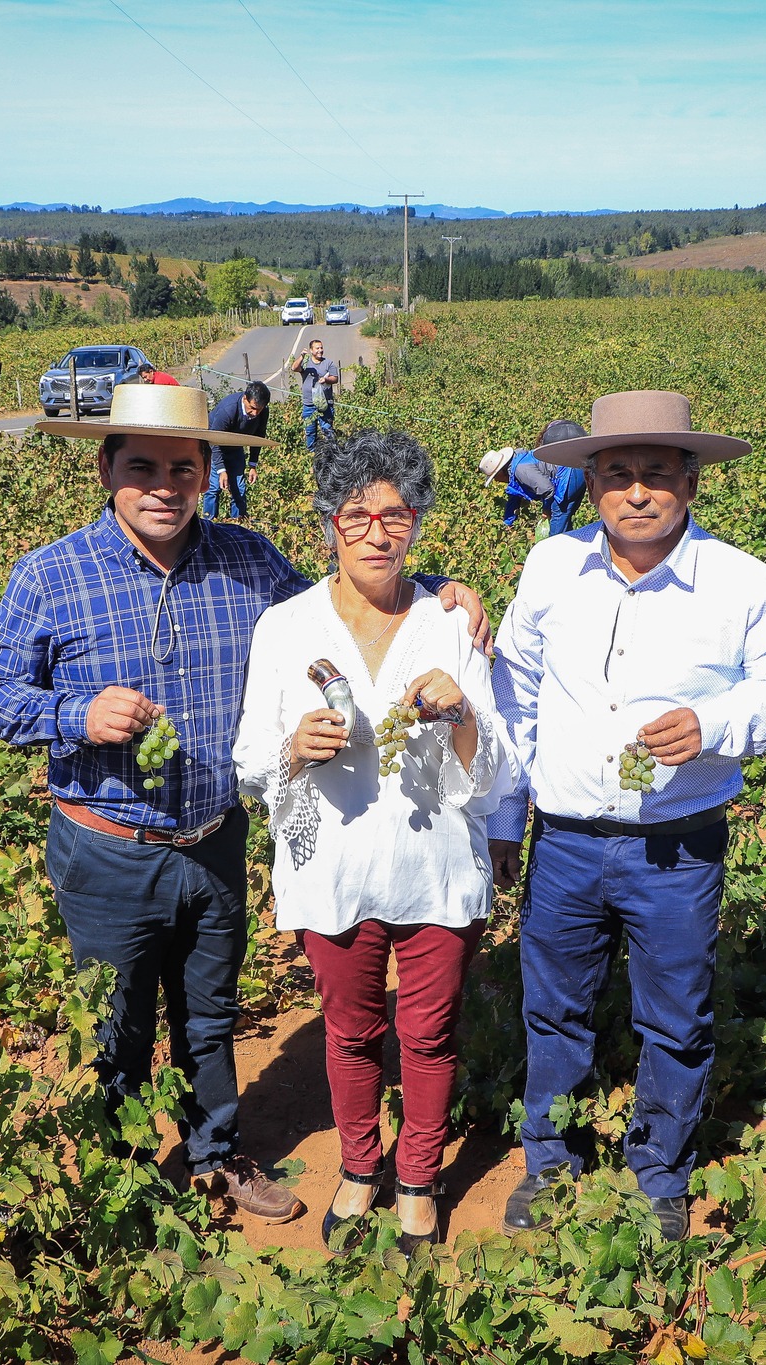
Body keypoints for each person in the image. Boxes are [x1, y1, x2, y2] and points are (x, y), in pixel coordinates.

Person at [0, 383, 490, 1227]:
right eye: (142, 467)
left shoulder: (248, 561)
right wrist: (75, 715)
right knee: (117, 1024)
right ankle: (123, 1179)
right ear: (105, 468)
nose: (163, 486)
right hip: (108, 845)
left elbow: (350, 594)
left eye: (183, 468)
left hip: (214, 838)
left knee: (210, 1016)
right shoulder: (50, 574)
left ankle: (215, 1156)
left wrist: (441, 589)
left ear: (208, 473)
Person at [487, 390, 766, 1243]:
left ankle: (659, 1174)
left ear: (691, 482)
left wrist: (714, 724)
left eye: (657, 473)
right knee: (553, 1008)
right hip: (564, 840)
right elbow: (516, 687)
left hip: (677, 849)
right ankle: (550, 1161)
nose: (637, 492)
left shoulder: (744, 584)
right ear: (592, 482)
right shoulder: (550, 568)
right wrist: (509, 809)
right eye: (619, 473)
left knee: (674, 1015)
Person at [235, 430, 519, 1254]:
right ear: (329, 521)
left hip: (437, 869)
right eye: (356, 514)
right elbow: (250, 759)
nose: (377, 532)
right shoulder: (285, 626)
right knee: (351, 1030)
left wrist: (462, 710)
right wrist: (294, 747)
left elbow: (496, 769)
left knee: (428, 1034)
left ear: (417, 522)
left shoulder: (451, 622)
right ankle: (361, 1166)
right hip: (333, 869)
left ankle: (419, 1176)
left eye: (396, 514)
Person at [478, 419, 590, 538]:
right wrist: (507, 523)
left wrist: (546, 510)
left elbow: (547, 489)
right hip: (574, 470)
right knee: (563, 521)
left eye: (495, 476)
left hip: (570, 474)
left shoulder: (520, 469)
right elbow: (514, 499)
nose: (496, 480)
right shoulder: (515, 465)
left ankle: (558, 547)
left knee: (557, 522)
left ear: (501, 471)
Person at [204, 381, 270, 520]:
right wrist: (221, 470)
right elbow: (214, 440)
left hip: (235, 447)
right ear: (245, 399)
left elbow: (258, 437)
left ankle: (238, 522)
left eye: (259, 409)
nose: (255, 413)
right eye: (252, 408)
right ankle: (208, 522)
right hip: (215, 447)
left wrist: (253, 465)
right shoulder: (228, 410)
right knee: (214, 487)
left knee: (239, 488)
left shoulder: (262, 412)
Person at [290, 338, 340, 451]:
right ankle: (311, 452)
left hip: (325, 404)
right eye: (317, 348)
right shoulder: (306, 363)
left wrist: (326, 380)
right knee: (310, 431)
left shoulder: (328, 363)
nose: (320, 350)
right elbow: (294, 368)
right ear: (311, 350)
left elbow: (335, 378)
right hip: (309, 405)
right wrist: (302, 356)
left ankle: (331, 452)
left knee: (327, 429)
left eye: (321, 348)